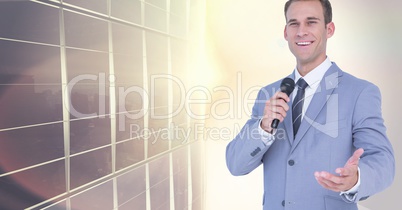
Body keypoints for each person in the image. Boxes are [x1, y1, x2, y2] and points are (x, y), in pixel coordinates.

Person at [225, 0, 395, 209]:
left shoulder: (360, 92)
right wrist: (263, 128)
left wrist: (356, 178)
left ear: (329, 29)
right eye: (294, 23)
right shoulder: (268, 94)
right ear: (286, 32)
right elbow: (236, 164)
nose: (301, 31)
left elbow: (383, 161)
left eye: (311, 22)